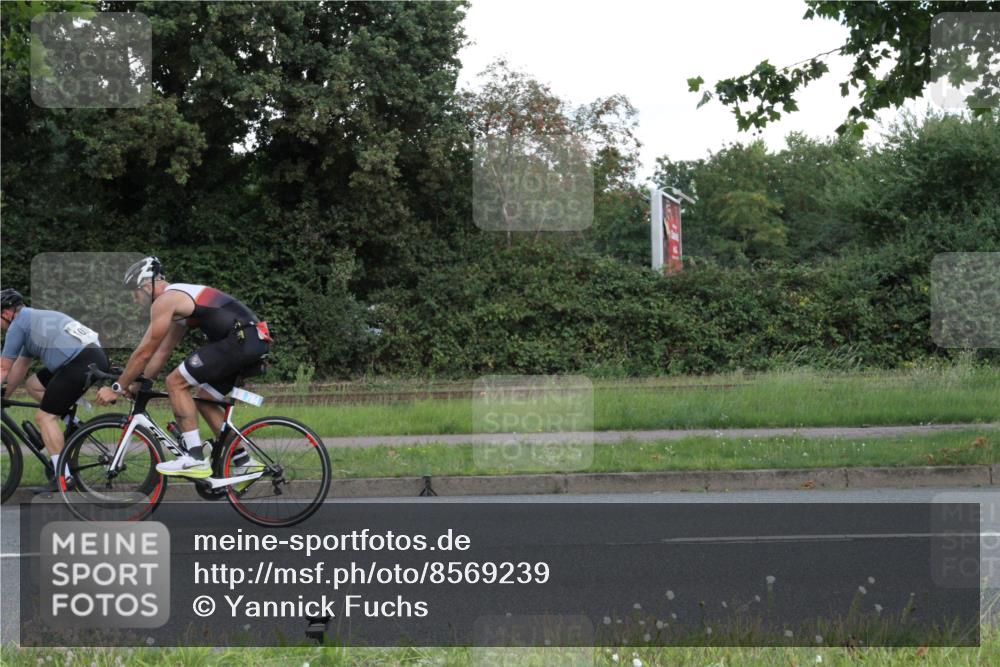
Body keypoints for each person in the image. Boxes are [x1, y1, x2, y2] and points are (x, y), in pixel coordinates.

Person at [95, 257, 271, 479]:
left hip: (241, 339)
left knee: (175, 382)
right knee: (204, 400)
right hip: (252, 340)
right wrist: (139, 384)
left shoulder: (166, 300)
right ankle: (244, 462)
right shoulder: (180, 303)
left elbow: (144, 352)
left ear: (146, 286)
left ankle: (195, 458)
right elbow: (161, 352)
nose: (134, 299)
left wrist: (118, 386)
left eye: (134, 292)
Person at [0, 288, 111, 491]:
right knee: (33, 384)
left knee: (45, 417)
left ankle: (64, 477)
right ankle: (73, 425)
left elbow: (3, 368)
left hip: (79, 362)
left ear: (6, 313)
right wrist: (4, 394)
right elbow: (19, 368)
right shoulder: (31, 320)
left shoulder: (17, 325)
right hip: (90, 356)